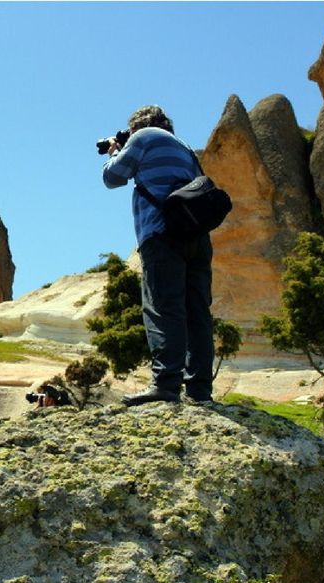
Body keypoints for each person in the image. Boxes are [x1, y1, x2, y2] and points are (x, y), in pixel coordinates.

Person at [102, 105, 215, 407]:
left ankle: (165, 384)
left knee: (163, 308)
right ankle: (200, 390)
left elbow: (113, 177)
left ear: (137, 126)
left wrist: (115, 150)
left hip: (162, 234)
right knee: (197, 314)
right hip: (198, 238)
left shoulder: (145, 136)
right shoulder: (187, 149)